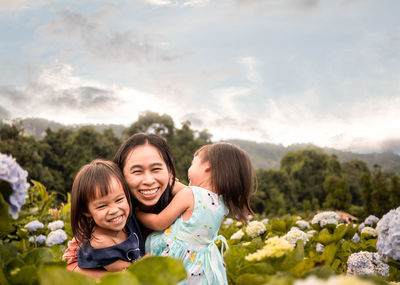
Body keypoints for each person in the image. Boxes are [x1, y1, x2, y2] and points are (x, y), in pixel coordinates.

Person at [63, 133, 184, 278]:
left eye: (156, 169)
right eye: (137, 171)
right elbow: (69, 265)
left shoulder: (181, 199)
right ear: (121, 175)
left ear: (169, 171)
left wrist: (179, 189)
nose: (148, 180)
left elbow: (202, 198)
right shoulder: (101, 217)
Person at [136, 143, 255, 285]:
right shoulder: (222, 204)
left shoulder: (190, 195)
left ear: (207, 166)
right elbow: (192, 197)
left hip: (176, 259)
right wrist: (169, 182)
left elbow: (158, 222)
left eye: (193, 163)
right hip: (199, 266)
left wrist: (137, 213)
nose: (190, 168)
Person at [70, 159, 143, 271]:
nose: (114, 210)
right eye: (102, 206)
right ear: (86, 211)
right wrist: (148, 261)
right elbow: (125, 270)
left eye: (119, 199)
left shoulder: (129, 218)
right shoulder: (100, 242)